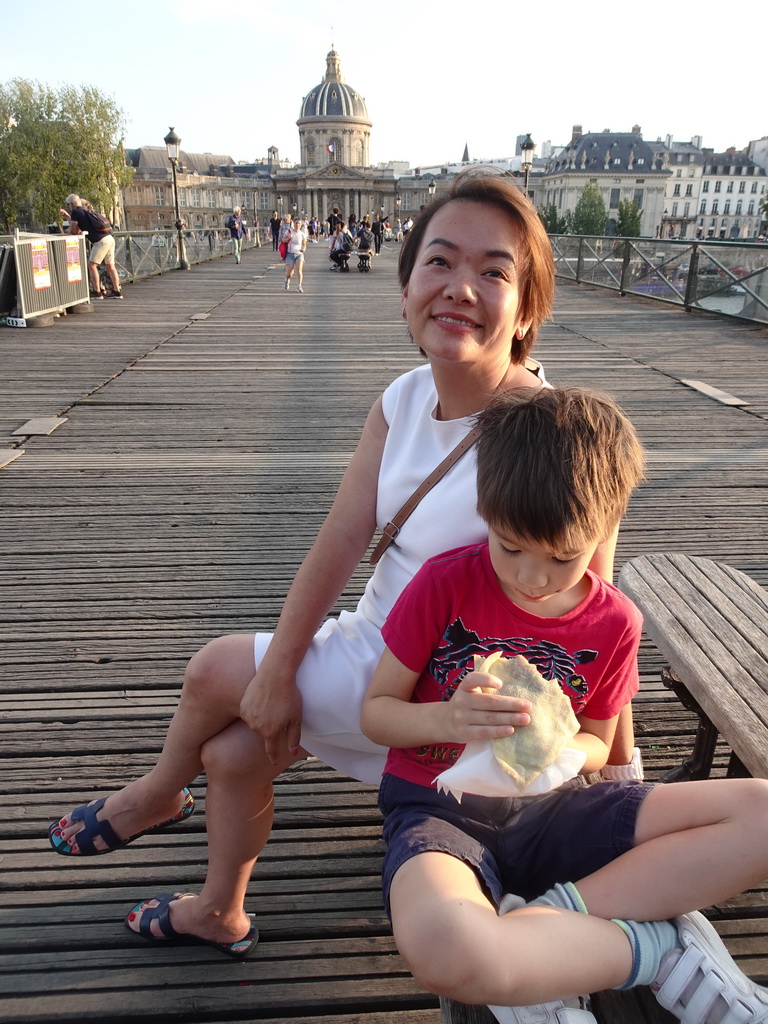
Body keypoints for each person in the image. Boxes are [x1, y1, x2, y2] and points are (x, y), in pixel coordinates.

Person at [48, 170, 639, 965]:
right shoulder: (400, 399)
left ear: (528, 309)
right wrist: (285, 666)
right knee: (231, 750)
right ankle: (220, 910)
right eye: (439, 262)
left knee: (210, 672)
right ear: (405, 288)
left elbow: (590, 612)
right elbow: (337, 545)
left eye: (495, 271)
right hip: (377, 649)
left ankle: (157, 795)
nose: (460, 287)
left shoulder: (554, 435)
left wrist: (620, 768)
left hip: (452, 695)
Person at [360, 385, 768, 1024]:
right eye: (510, 546)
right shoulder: (445, 583)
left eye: (562, 558)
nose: (529, 576)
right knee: (446, 947)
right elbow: (376, 712)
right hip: (439, 813)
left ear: (605, 529)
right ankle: (653, 949)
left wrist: (559, 748)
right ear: (486, 512)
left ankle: (553, 922)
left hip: (557, 809)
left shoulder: (613, 622)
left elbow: (598, 742)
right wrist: (446, 718)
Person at [61, 194, 122, 299]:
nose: (69, 206)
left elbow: (74, 230)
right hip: (109, 238)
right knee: (110, 266)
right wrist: (67, 217)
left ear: (72, 204)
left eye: (68, 204)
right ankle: (117, 291)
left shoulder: (75, 212)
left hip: (100, 241)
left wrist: (69, 229)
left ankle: (97, 292)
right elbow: (79, 227)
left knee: (92, 265)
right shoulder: (85, 211)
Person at [284, 217, 307, 292]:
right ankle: (287, 279)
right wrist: (288, 239)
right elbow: (283, 240)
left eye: (299, 223)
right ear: (293, 223)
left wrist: (303, 249)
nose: (297, 225)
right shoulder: (289, 232)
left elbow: (304, 244)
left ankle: (299, 286)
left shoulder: (302, 234)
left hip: (299, 254)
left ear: (301, 225)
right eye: (296, 223)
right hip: (290, 254)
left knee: (299, 270)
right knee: (290, 273)